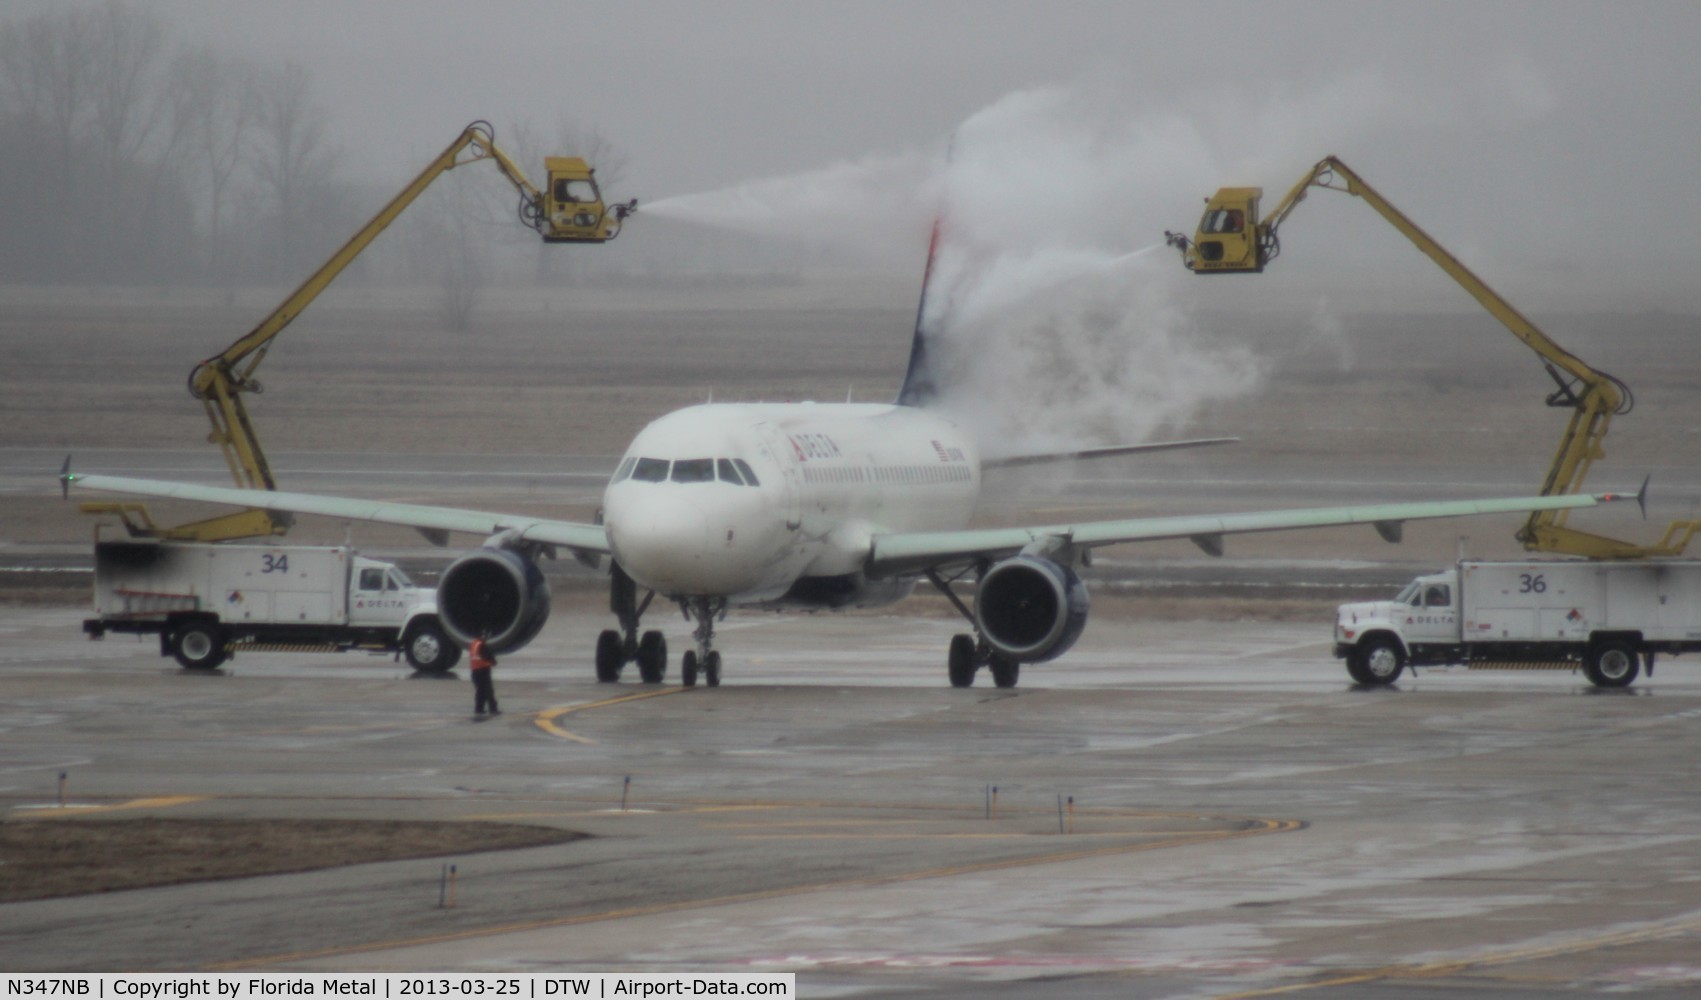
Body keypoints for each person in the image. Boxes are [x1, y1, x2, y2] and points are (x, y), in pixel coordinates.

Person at [469, 637, 498, 716]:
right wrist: (493, 662)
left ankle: (479, 709)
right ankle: (493, 709)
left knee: (480, 691)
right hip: (483, 670)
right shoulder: (482, 645)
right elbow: (487, 656)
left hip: (475, 671)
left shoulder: (474, 644)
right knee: (488, 691)